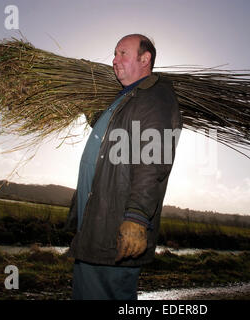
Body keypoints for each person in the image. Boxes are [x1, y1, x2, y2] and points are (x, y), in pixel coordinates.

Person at [64, 34, 182, 300]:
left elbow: (154, 160)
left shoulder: (155, 97)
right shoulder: (126, 98)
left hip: (116, 224)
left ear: (145, 58)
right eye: (114, 54)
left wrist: (137, 216)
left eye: (122, 54)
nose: (114, 61)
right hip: (96, 222)